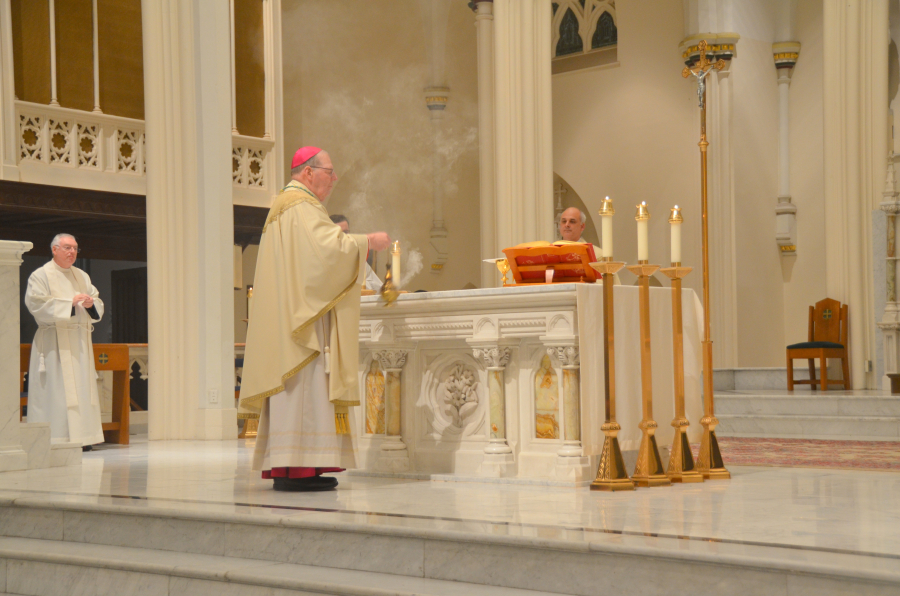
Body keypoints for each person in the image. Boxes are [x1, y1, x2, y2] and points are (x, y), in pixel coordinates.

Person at [238, 146, 390, 492]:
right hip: (302, 323)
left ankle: (296, 467)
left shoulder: (286, 205)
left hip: (293, 314)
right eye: (329, 172)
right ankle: (297, 470)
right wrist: (368, 241)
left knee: (301, 394)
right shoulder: (301, 206)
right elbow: (326, 251)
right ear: (308, 172)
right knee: (303, 392)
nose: (333, 179)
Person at [25, 233, 105, 451]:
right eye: (67, 248)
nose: (72, 253)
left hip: (79, 342)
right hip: (53, 343)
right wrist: (69, 303)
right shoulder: (40, 275)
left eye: (75, 249)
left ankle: (83, 438)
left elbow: (97, 300)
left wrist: (90, 303)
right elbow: (36, 304)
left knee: (81, 389)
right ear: (54, 249)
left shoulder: (82, 276)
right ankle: (55, 440)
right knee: (56, 392)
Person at [330, 214, 383, 291]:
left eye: (346, 232)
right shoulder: (324, 258)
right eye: (340, 233)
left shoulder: (357, 257)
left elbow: (377, 286)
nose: (344, 237)